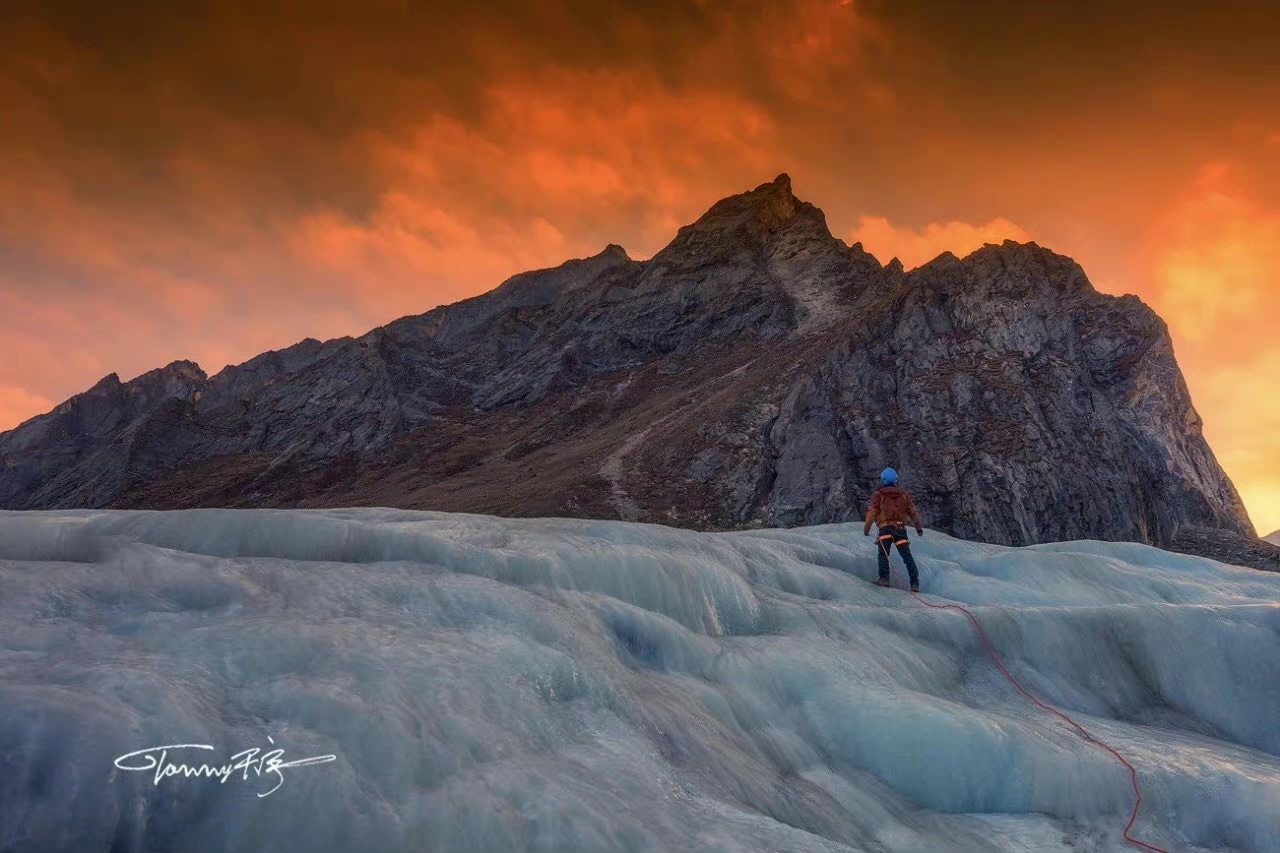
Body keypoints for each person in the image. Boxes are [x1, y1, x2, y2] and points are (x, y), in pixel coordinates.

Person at [863, 468, 923, 591]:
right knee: (907, 557)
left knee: (883, 555)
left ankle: (884, 579)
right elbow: (913, 512)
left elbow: (872, 512)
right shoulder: (904, 495)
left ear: (883, 479)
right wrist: (918, 527)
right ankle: (915, 584)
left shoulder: (878, 495)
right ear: (896, 479)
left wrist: (866, 528)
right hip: (900, 530)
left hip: (885, 529)